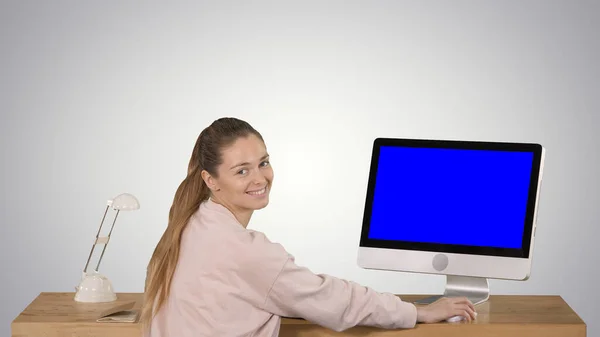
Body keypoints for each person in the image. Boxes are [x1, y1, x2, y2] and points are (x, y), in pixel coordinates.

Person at [140, 117, 477, 336]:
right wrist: (416, 312)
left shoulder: (192, 224)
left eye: (264, 163)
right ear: (210, 179)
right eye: (242, 170)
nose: (260, 178)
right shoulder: (244, 251)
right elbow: (331, 299)